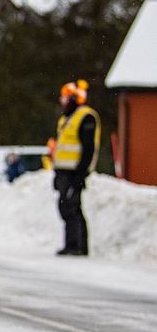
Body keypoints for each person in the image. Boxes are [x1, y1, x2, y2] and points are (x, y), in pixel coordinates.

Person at [53, 79, 99, 256]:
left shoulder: (86, 117)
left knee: (71, 207)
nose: (62, 101)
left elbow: (88, 149)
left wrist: (81, 174)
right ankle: (72, 244)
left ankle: (78, 245)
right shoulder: (66, 118)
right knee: (66, 206)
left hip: (75, 172)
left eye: (65, 98)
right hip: (63, 171)